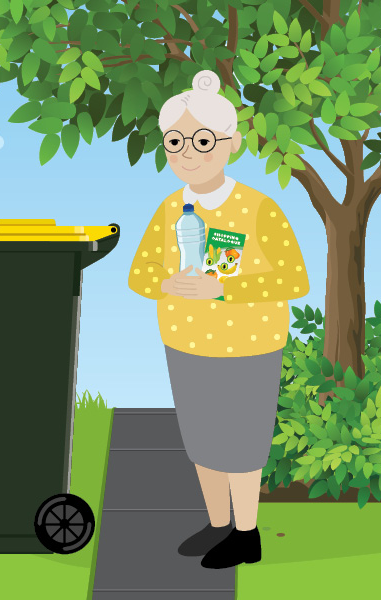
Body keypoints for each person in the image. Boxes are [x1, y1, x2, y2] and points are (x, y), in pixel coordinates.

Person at [127, 69, 310, 569]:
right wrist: (167, 283)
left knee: (242, 446)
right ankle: (216, 523)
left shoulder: (257, 209)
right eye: (175, 141)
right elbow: (140, 274)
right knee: (203, 442)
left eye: (201, 140)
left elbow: (294, 280)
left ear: (229, 144)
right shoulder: (170, 209)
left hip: (248, 348)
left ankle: (246, 534)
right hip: (185, 343)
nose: (187, 152)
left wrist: (223, 290)